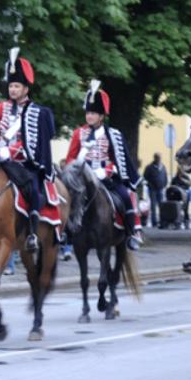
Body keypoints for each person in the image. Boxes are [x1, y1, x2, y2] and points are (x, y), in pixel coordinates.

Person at [0, 48, 56, 252]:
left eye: (17, 86)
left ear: (26, 89)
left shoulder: (36, 112)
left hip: (24, 163)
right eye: (11, 85)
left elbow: (33, 142)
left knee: (33, 189)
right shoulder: (2, 107)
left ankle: (32, 234)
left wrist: (12, 151)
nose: (12, 90)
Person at [63, 80, 142, 251]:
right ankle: (65, 233)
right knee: (67, 197)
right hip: (82, 177)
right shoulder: (78, 134)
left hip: (106, 178)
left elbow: (119, 161)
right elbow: (70, 158)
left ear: (101, 116)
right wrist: (75, 170)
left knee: (125, 197)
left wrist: (105, 171)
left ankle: (132, 232)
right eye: (88, 112)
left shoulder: (113, 135)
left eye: (93, 113)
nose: (89, 116)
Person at [143, 154, 168, 228]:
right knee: (153, 206)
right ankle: (154, 222)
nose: (159, 159)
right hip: (152, 189)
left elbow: (165, 176)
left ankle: (162, 222)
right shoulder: (149, 167)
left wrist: (164, 185)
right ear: (154, 158)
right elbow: (145, 177)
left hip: (160, 189)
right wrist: (150, 185)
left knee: (161, 206)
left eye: (159, 158)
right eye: (157, 158)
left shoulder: (163, 167)